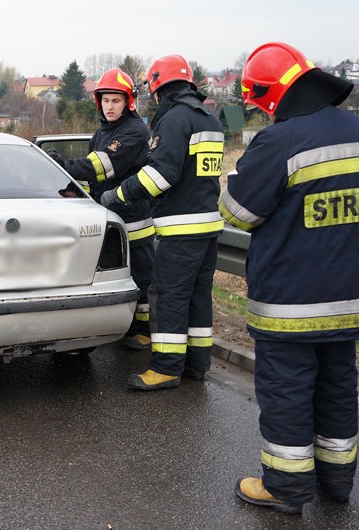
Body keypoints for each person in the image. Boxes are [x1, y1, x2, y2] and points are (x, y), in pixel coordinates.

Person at [218, 42, 359, 514]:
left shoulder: (280, 140)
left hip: (291, 300)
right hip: (349, 297)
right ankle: (338, 480)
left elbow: (239, 213)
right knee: (336, 386)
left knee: (287, 390)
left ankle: (286, 489)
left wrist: (236, 177)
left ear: (270, 95)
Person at [101, 54, 224, 389]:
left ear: (158, 87)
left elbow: (161, 175)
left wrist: (119, 195)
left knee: (168, 295)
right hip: (209, 226)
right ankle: (197, 365)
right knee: (198, 297)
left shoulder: (173, 119)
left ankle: (167, 368)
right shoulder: (209, 118)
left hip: (181, 229)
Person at [48, 68, 154, 350]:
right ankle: (118, 326)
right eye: (106, 100)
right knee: (111, 277)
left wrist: (62, 166)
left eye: (115, 101)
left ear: (128, 102)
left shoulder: (134, 131)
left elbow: (99, 166)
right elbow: (91, 176)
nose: (109, 106)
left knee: (140, 279)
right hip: (109, 219)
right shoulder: (104, 131)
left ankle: (142, 330)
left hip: (134, 222)